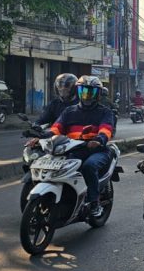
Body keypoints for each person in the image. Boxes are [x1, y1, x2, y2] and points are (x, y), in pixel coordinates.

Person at [49, 76, 116, 217]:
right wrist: (41, 137)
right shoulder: (69, 111)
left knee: (89, 166)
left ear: (98, 94)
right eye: (83, 91)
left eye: (91, 92)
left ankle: (94, 203)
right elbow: (56, 128)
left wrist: (98, 139)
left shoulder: (105, 112)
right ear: (77, 92)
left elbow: (106, 129)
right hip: (73, 150)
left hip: (97, 150)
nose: (86, 95)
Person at [28, 73, 78, 147]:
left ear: (74, 88)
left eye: (67, 86)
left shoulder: (80, 104)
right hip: (54, 137)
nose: (62, 88)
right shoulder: (54, 103)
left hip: (74, 138)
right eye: (60, 85)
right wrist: (36, 125)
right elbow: (44, 118)